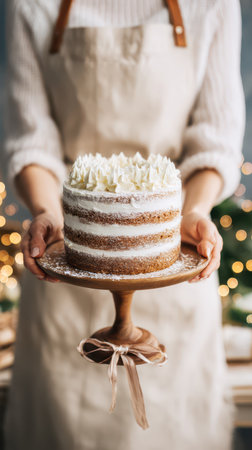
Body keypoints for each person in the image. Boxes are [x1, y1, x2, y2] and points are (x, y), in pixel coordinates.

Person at [4, 1, 245, 449]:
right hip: (65, 279)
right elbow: (30, 139)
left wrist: (192, 211)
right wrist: (49, 212)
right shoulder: (31, 5)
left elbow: (216, 138)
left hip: (174, 271)